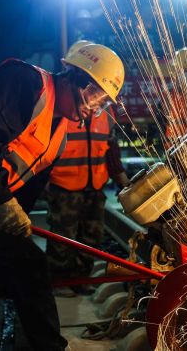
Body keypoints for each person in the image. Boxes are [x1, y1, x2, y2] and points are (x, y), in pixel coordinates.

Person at [0, 43, 124, 350]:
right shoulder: (24, 83)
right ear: (73, 76)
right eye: (93, 95)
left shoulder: (59, 132)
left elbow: (25, 190)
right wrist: (3, 203)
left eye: (102, 103)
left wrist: (13, 218)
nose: (93, 108)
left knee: (29, 263)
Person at [45, 41, 130, 296]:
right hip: (64, 185)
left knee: (91, 235)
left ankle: (81, 279)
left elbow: (110, 146)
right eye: (95, 92)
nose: (97, 101)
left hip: (95, 184)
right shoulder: (60, 106)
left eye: (102, 96)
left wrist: (122, 179)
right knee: (63, 235)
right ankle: (60, 281)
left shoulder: (105, 110)